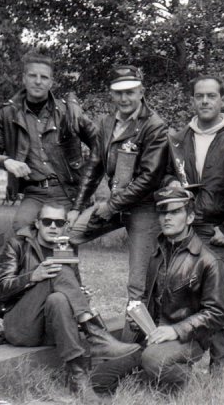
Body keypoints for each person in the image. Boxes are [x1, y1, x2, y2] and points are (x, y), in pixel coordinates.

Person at [0, 203, 140, 401]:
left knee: (60, 298)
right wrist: (32, 277)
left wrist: (81, 295)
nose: (53, 226)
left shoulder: (66, 248)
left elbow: (71, 289)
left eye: (59, 222)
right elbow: (0, 288)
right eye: (47, 222)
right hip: (21, 326)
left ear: (65, 226)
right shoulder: (17, 244)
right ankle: (96, 335)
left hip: (53, 327)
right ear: (37, 223)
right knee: (59, 270)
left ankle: (79, 381)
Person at [91, 186, 224, 391]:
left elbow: (217, 314)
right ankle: (151, 379)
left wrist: (175, 330)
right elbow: (150, 298)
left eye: (175, 212)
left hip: (188, 340)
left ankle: (194, 385)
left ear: (190, 218)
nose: (167, 218)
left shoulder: (208, 261)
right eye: (163, 212)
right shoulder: (157, 253)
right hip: (153, 336)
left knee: (152, 359)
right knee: (100, 377)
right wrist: (138, 318)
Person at [163, 75, 224, 370]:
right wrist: (173, 188)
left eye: (211, 96)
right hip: (183, 232)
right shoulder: (176, 140)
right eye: (199, 96)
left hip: (216, 233)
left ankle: (220, 371)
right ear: (192, 100)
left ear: (223, 100)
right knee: (178, 296)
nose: (205, 101)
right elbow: (163, 178)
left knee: (219, 304)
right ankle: (178, 362)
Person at [67, 65, 168, 309]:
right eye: (118, 93)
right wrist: (77, 207)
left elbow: (150, 178)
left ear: (141, 91)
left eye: (130, 92)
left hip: (144, 207)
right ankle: (75, 301)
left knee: (138, 285)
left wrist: (111, 206)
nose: (124, 98)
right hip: (115, 204)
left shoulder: (154, 126)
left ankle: (140, 340)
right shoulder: (105, 123)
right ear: (111, 95)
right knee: (66, 237)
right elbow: (94, 166)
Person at [0, 51, 96, 232]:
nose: (38, 81)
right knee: (21, 230)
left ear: (51, 82)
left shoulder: (68, 112)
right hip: (33, 192)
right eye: (33, 75)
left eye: (44, 77)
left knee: (63, 241)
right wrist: (7, 161)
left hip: (65, 191)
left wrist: (85, 180)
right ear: (23, 79)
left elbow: (100, 146)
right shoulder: (6, 114)